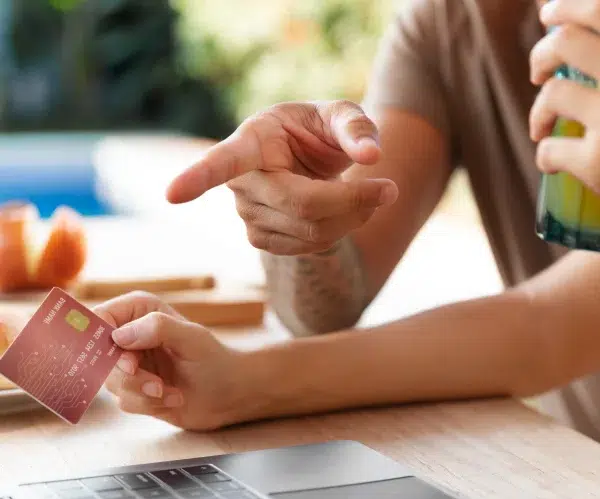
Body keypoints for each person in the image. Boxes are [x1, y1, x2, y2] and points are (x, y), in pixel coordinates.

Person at [96, 0, 600, 438]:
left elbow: (549, 326)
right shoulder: (454, 22)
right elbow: (324, 307)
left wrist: (247, 383)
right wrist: (308, 212)